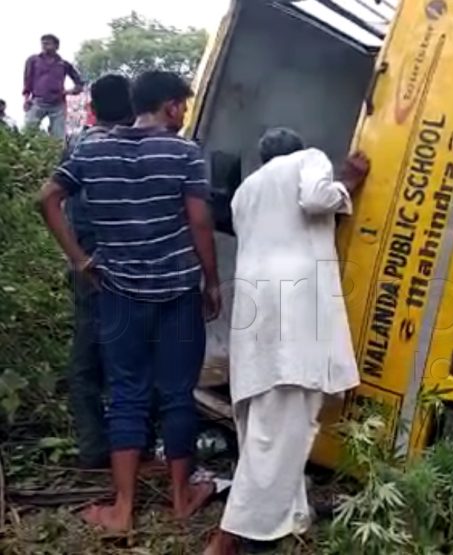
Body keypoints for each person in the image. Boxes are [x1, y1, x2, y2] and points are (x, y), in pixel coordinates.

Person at [38, 70, 220, 534]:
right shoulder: (184, 152)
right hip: (178, 293)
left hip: (118, 293)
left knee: (125, 394)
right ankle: (182, 499)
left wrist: (81, 260)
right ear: (172, 105)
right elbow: (200, 222)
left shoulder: (90, 149)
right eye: (182, 105)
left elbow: (48, 198)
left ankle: (122, 509)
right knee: (177, 393)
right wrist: (212, 281)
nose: (182, 114)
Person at [203, 129, 369, 554]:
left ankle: (288, 518)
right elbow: (316, 199)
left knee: (268, 428)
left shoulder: (245, 194)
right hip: (294, 322)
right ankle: (234, 537)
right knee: (282, 432)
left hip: (257, 322)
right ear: (295, 151)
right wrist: (348, 181)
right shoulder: (309, 158)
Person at [59, 74, 135, 470]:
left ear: (91, 109)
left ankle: (94, 449)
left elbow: (58, 203)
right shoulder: (140, 147)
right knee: (131, 357)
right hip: (131, 266)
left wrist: (78, 258)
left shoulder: (80, 146)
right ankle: (134, 444)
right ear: (132, 108)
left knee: (87, 359)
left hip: (90, 266)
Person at [23, 34, 84, 138]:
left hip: (57, 104)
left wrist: (69, 91)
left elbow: (80, 83)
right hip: (37, 101)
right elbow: (27, 80)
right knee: (28, 132)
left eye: (48, 43)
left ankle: (57, 154)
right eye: (43, 43)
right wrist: (26, 99)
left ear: (56, 46)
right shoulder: (33, 60)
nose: (45, 45)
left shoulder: (63, 64)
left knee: (58, 137)